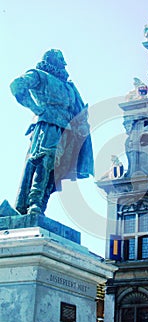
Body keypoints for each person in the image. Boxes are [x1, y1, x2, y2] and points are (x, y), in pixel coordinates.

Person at [10, 49, 94, 215]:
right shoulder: (39, 75)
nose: (64, 64)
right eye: (61, 60)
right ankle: (34, 202)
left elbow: (79, 110)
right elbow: (17, 85)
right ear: (51, 60)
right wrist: (37, 109)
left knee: (59, 170)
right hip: (49, 124)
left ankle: (41, 206)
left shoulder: (69, 86)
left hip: (68, 131)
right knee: (45, 160)